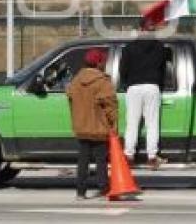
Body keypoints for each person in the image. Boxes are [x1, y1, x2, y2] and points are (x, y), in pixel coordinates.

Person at [66, 48, 117, 200]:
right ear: (99, 63)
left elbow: (70, 98)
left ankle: (80, 192)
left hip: (82, 127)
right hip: (99, 128)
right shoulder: (102, 82)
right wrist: (114, 125)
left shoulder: (76, 81)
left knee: (83, 160)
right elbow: (110, 106)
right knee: (101, 160)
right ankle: (103, 189)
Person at [119, 20, 169, 169]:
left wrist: (126, 83)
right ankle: (152, 157)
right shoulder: (160, 47)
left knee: (132, 123)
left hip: (134, 87)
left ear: (140, 29)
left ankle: (128, 156)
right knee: (152, 123)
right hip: (152, 86)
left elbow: (123, 70)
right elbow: (163, 69)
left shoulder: (129, 48)